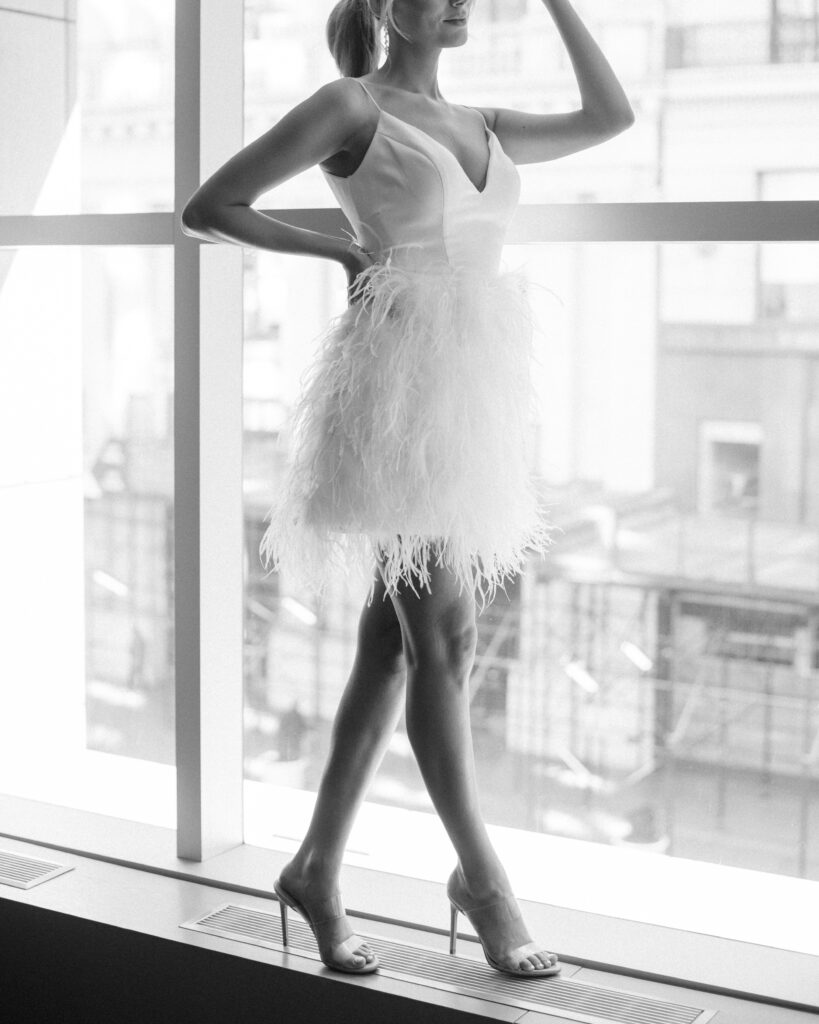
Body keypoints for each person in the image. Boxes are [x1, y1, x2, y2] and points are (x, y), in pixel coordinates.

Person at [182, 0, 633, 980]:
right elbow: (211, 206)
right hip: (395, 387)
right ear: (388, 7)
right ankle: (483, 880)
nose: (457, 1)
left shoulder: (488, 123)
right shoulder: (351, 106)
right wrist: (341, 252)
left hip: (473, 395)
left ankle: (314, 867)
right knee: (445, 638)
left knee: (394, 643)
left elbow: (611, 117)